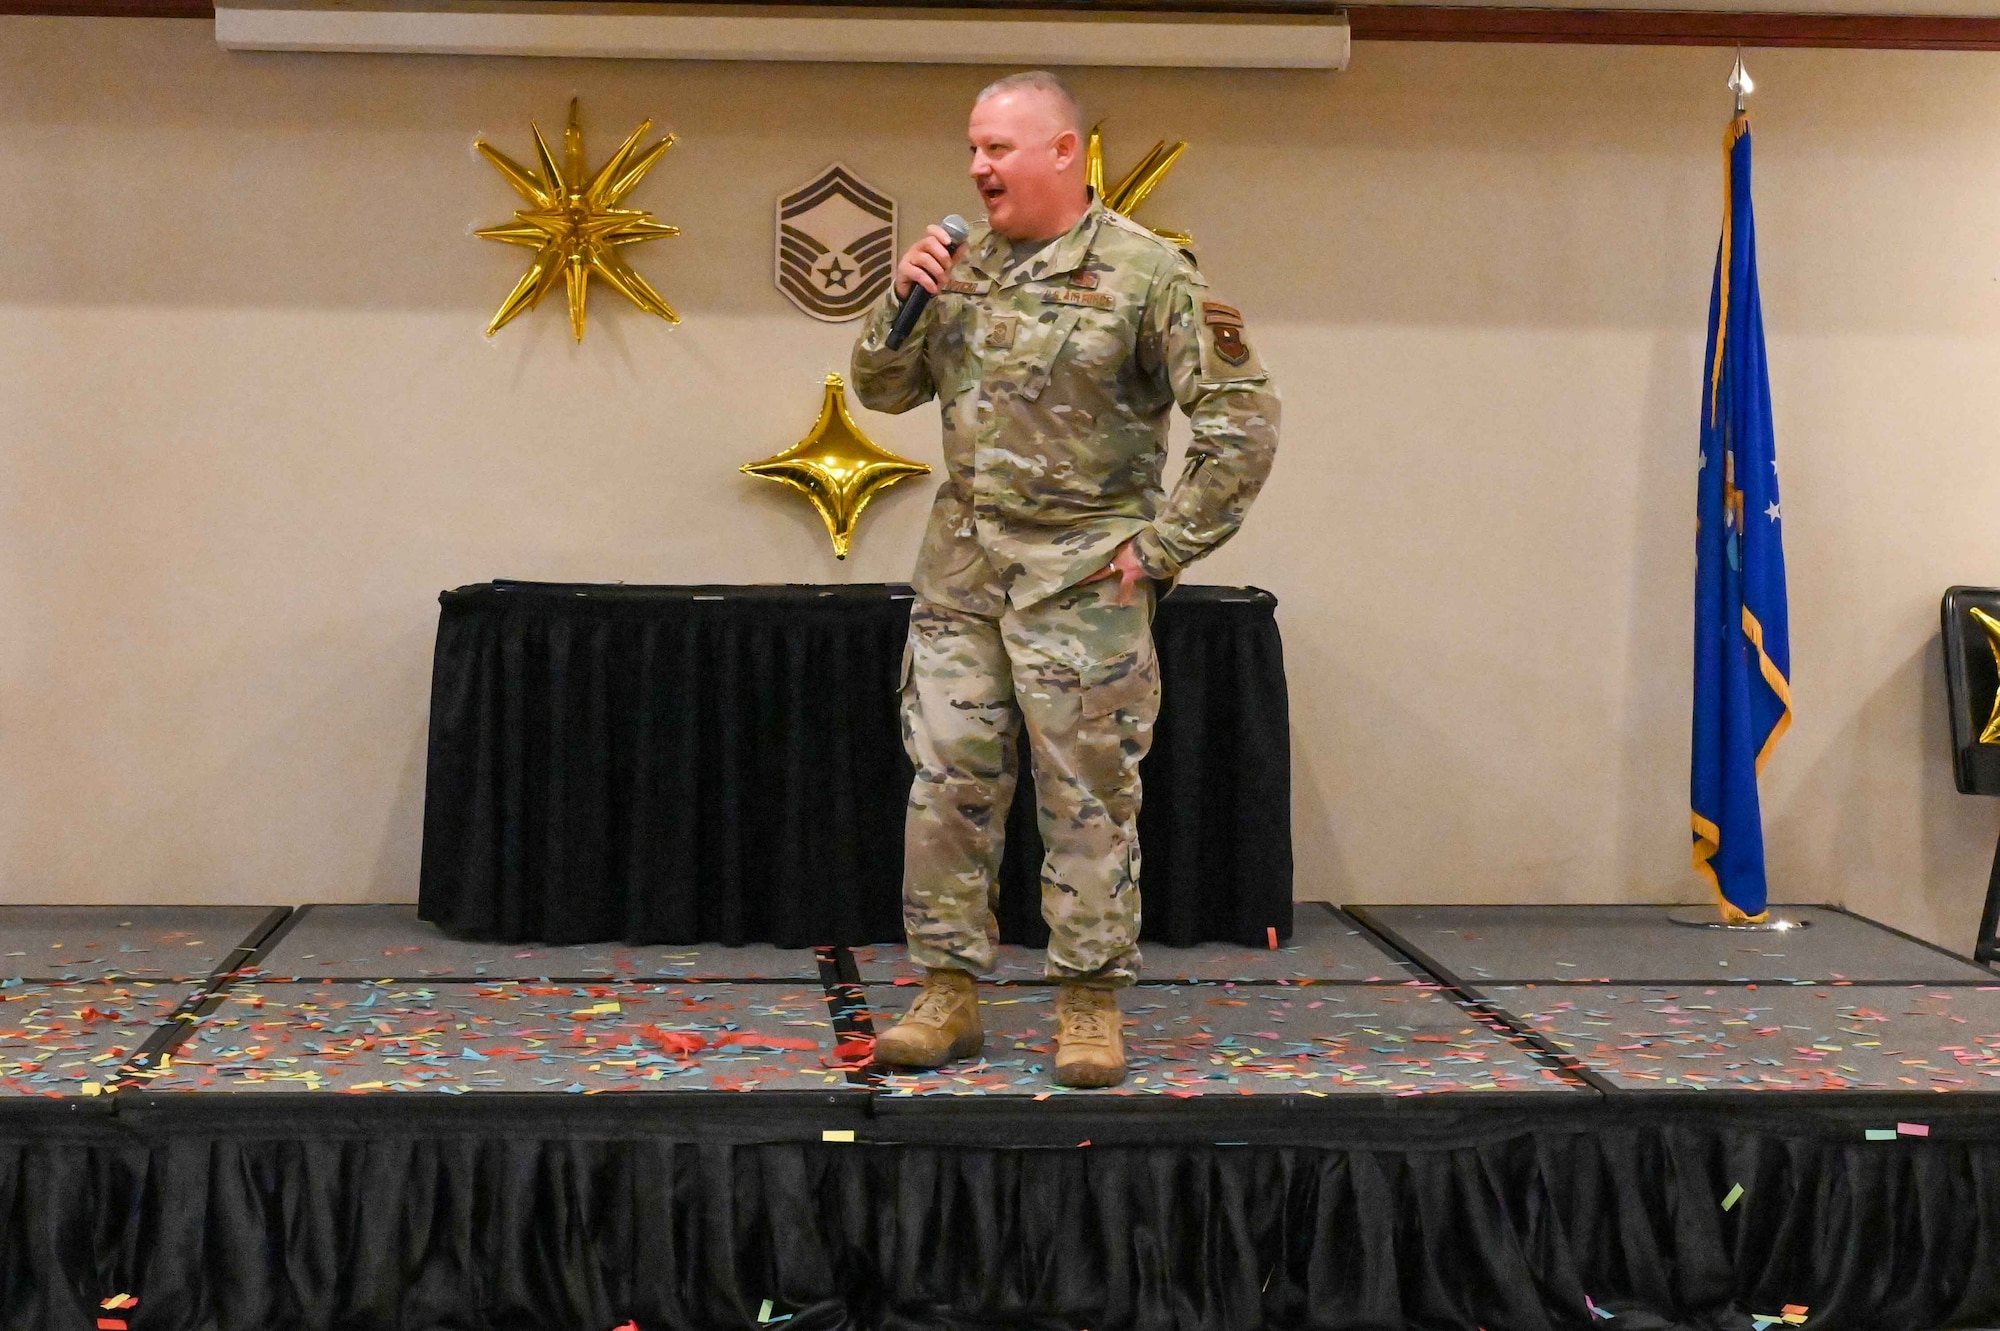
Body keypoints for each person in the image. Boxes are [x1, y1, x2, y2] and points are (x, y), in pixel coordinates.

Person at [849, 70, 1280, 1088]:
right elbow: (879, 387)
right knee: (947, 782)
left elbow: (1242, 423)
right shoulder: (957, 267)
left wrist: (1166, 546)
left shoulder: (1146, 273)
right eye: (970, 148)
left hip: (1083, 577)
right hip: (962, 570)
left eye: (996, 148)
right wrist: (902, 299)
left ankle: (1087, 1002)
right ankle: (947, 991)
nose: (975, 168)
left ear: (1061, 153)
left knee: (1085, 796)